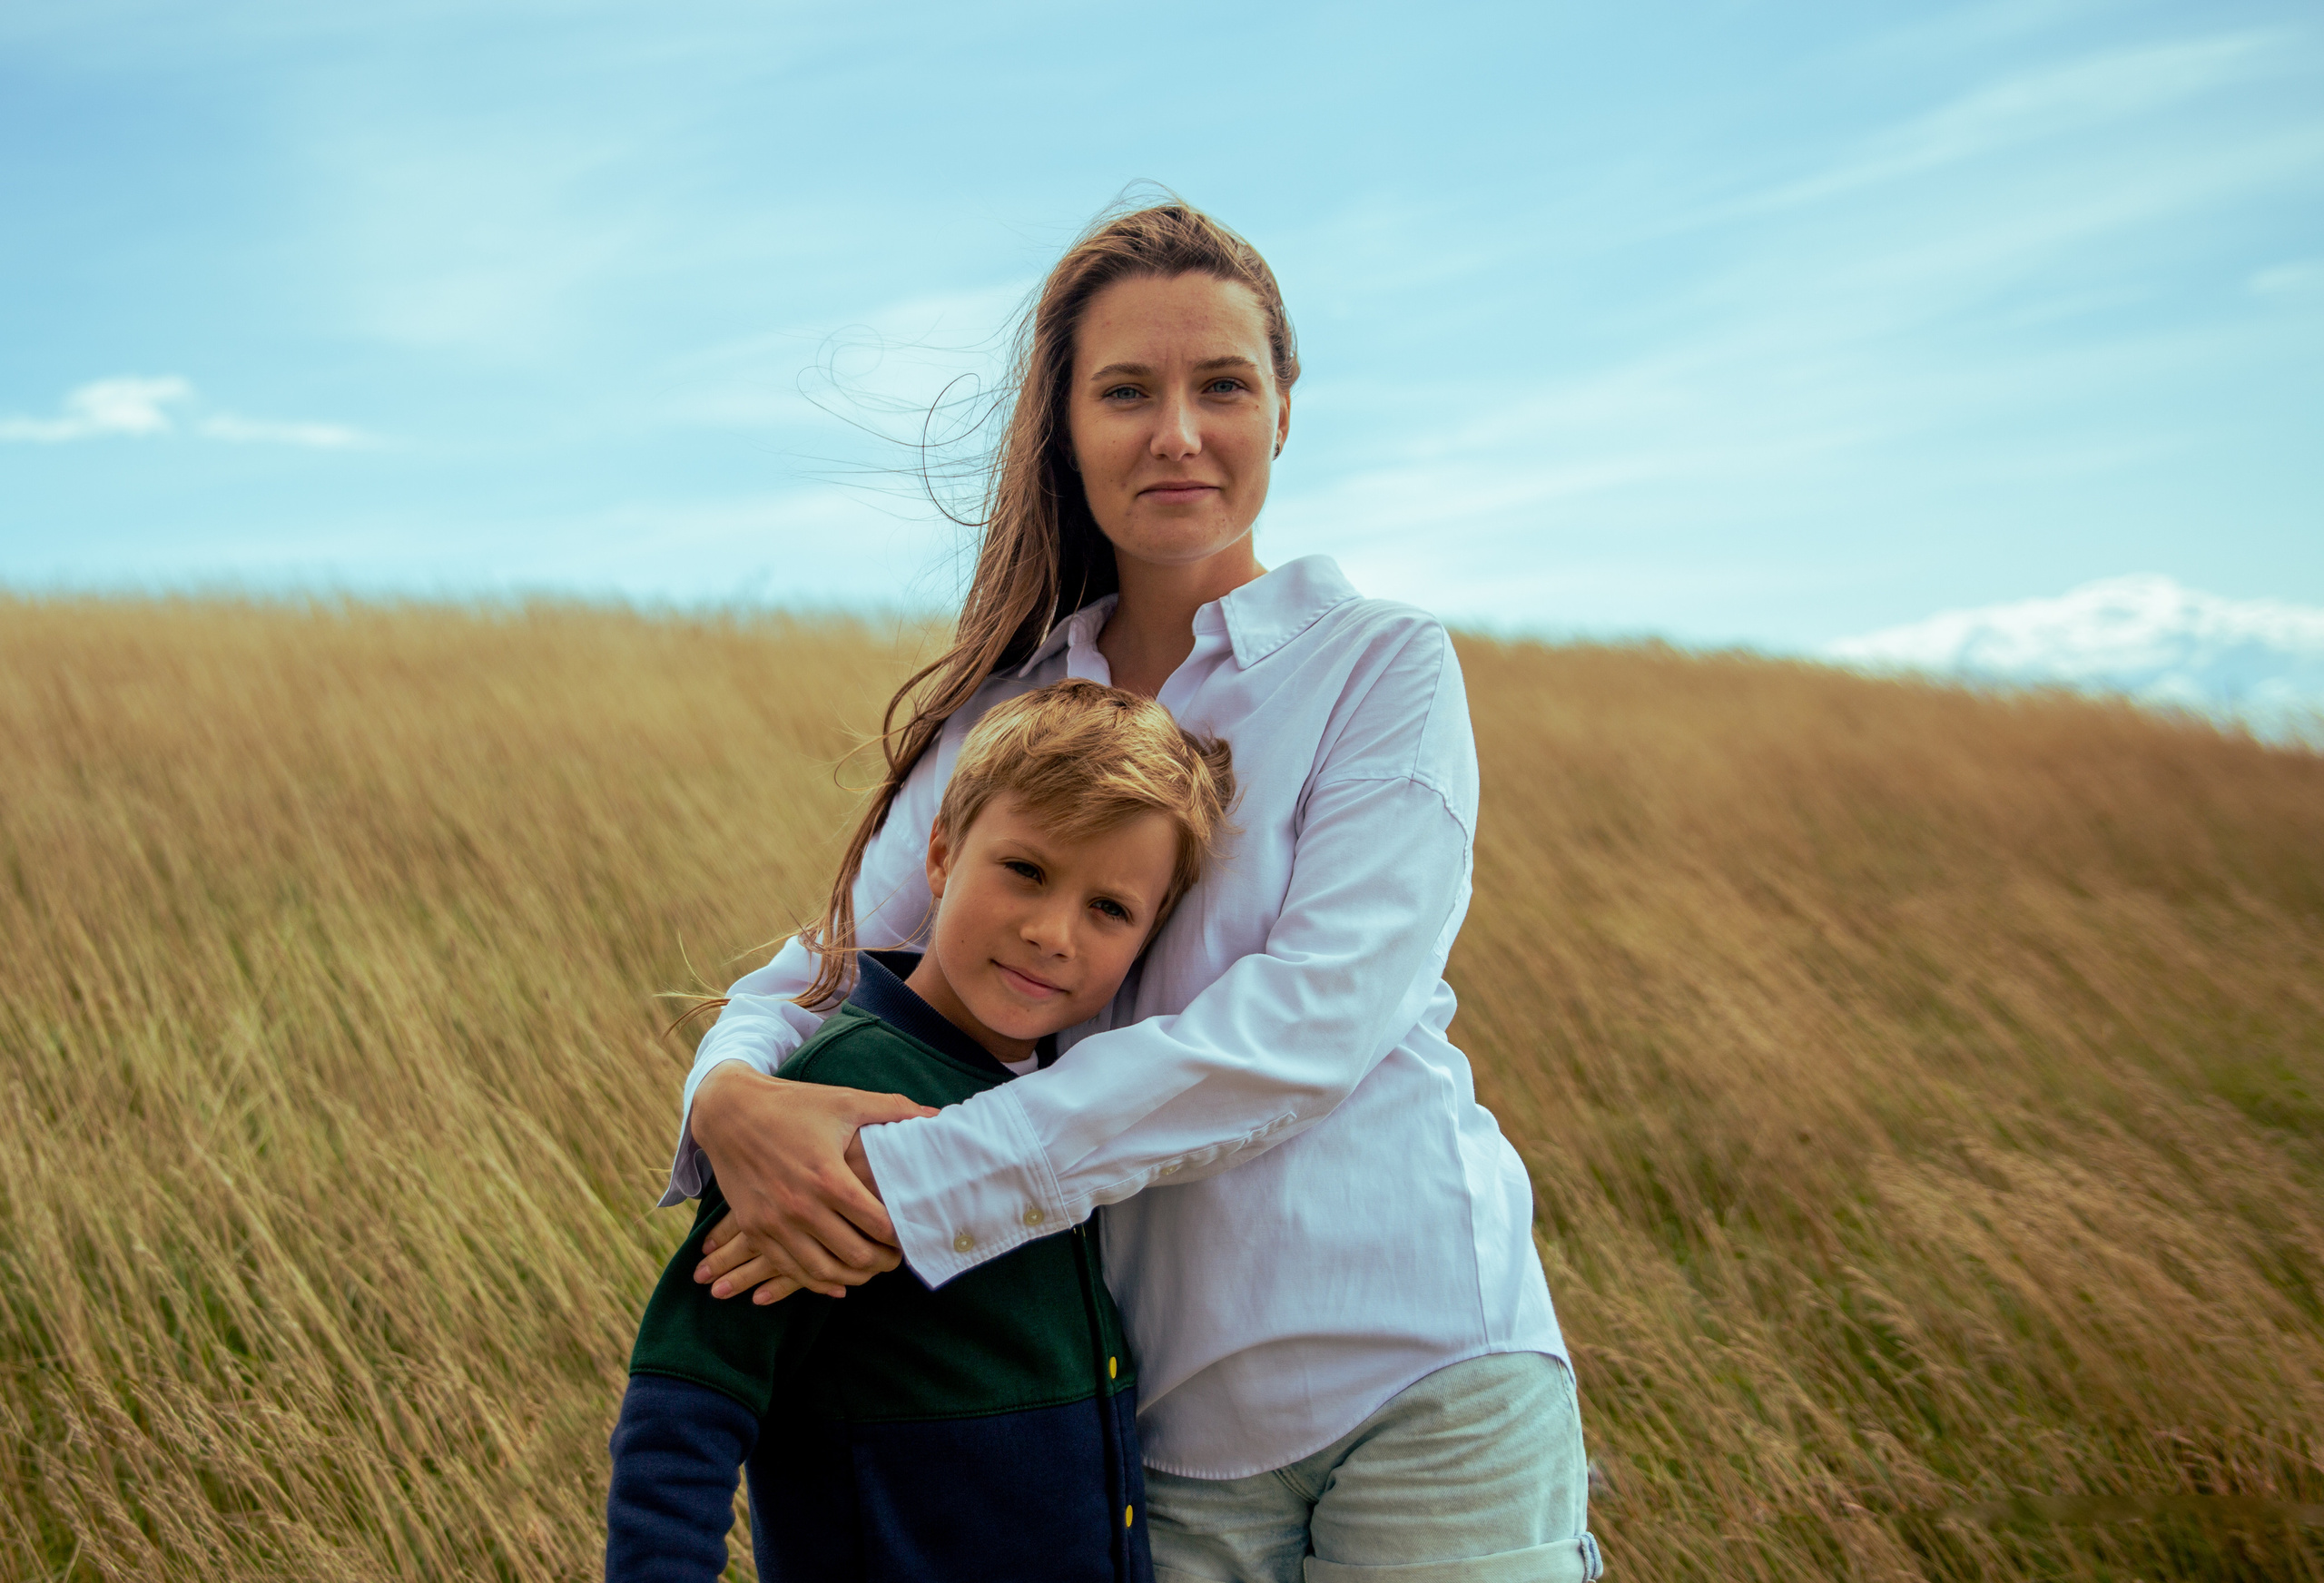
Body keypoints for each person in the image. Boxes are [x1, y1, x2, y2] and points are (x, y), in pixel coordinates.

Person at [674, 200, 1603, 1583]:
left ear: (1284, 409)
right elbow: (835, 965)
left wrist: (913, 1181)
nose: (1178, 431)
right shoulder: (1003, 716)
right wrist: (730, 1097)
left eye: (1222, 384)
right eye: (1127, 392)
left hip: (1424, 1373)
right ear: (1064, 425)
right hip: (1152, 1429)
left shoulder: (1380, 667)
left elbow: (1307, 1031)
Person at [607, 680, 1234, 1581]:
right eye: (1025, 869)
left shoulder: (1083, 1097)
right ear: (939, 853)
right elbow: (687, 1400)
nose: (1050, 932)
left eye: (1109, 909)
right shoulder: (839, 1084)